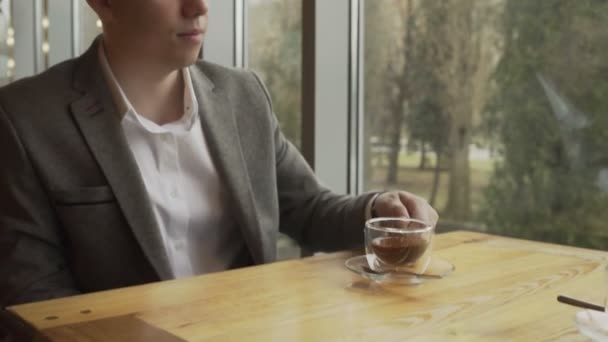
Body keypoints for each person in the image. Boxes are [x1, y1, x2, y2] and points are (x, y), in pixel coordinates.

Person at [0, 0, 437, 306]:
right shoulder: (26, 119)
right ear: (103, 2)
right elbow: (35, 298)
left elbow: (309, 209)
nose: (200, 5)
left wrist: (381, 210)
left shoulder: (242, 95)